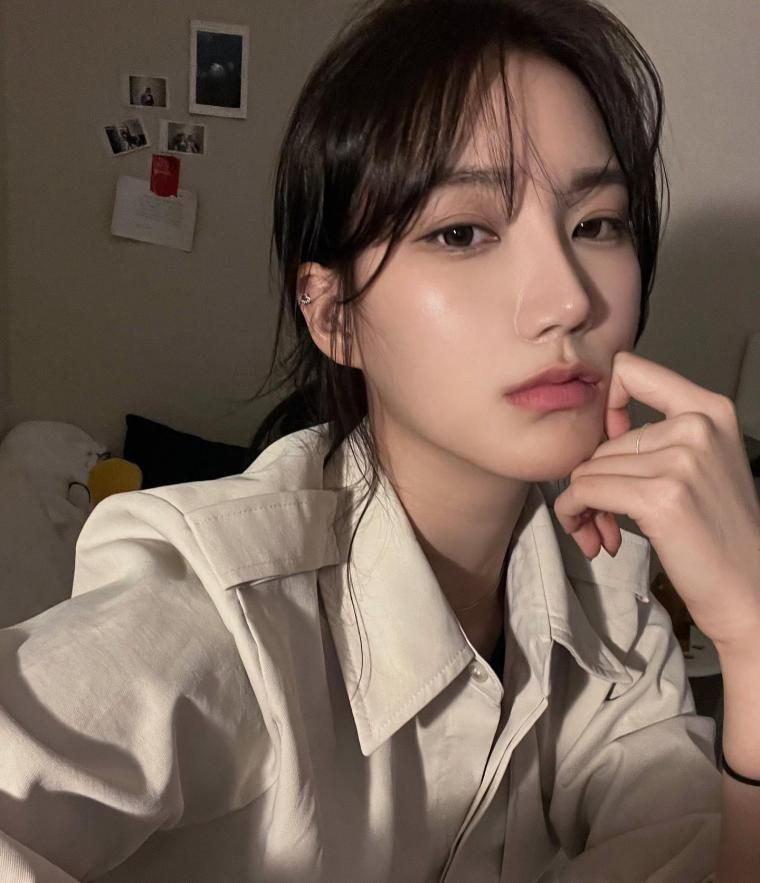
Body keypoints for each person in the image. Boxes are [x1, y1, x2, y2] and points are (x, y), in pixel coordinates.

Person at [3, 0, 760, 879]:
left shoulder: (610, 596)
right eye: (462, 232)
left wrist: (751, 633)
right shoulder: (230, 614)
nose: (569, 300)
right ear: (333, 313)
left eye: (597, 224)